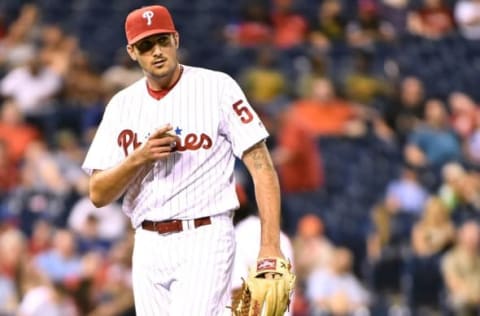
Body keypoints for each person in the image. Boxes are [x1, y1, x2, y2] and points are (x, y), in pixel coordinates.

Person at [82, 5, 285, 316]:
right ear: (132, 52)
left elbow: (262, 167)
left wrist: (269, 245)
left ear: (176, 39)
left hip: (204, 235)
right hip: (147, 242)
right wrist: (139, 158)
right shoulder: (121, 105)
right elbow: (97, 193)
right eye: (146, 45)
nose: (157, 51)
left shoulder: (217, 87)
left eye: (163, 40)